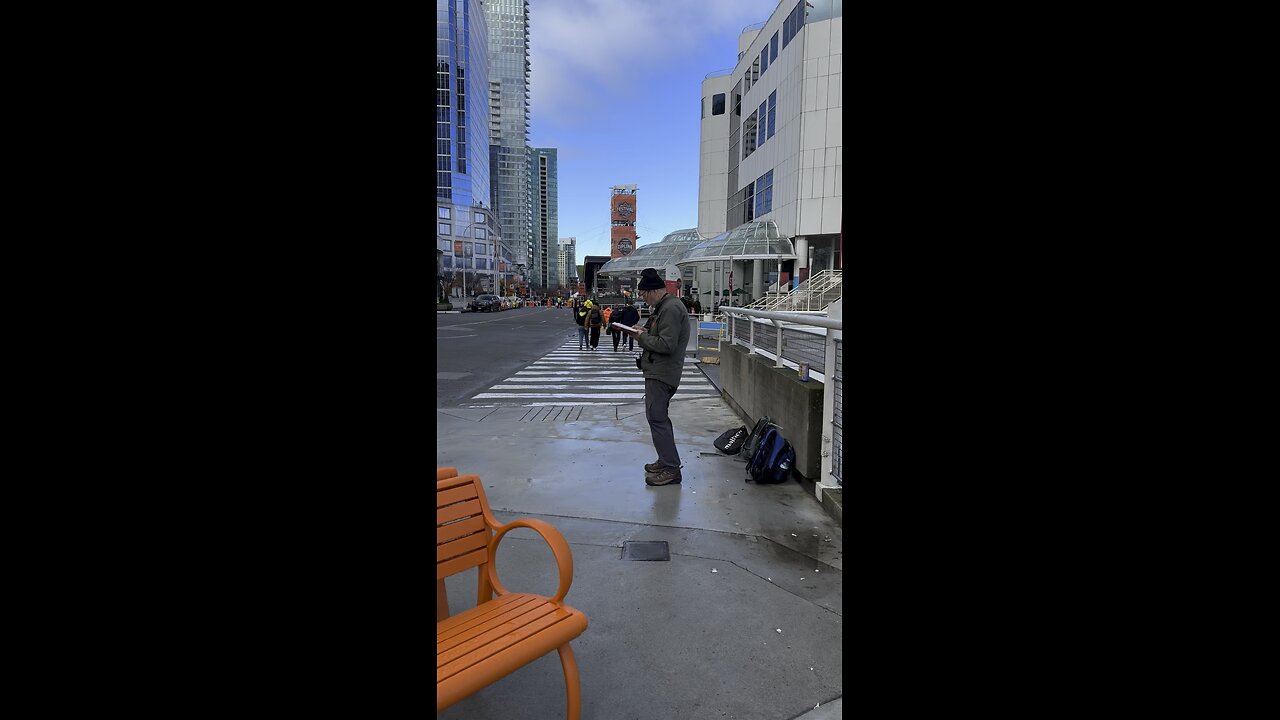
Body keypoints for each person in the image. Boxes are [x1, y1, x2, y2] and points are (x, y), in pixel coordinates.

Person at [618, 268, 690, 486]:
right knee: (657, 417)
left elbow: (667, 345)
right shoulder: (665, 307)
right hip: (659, 371)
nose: (643, 298)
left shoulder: (670, 308)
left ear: (654, 291)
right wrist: (643, 332)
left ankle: (671, 468)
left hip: (663, 373)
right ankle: (666, 460)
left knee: (657, 418)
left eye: (643, 294)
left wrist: (641, 337)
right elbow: (660, 337)